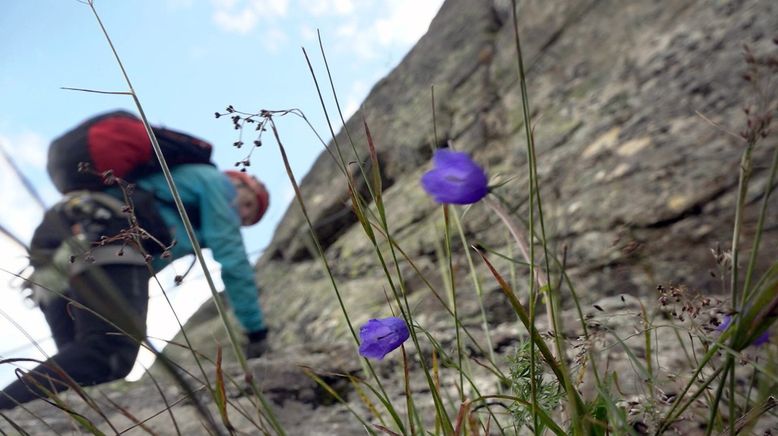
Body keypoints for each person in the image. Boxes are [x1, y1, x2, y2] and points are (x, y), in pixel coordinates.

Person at [0, 122, 270, 410]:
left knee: (87, 370)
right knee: (109, 352)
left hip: (61, 246)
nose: (241, 217)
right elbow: (235, 262)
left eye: (248, 219)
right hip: (105, 231)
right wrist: (256, 332)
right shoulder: (217, 184)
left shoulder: (182, 205)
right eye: (249, 206)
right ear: (238, 182)